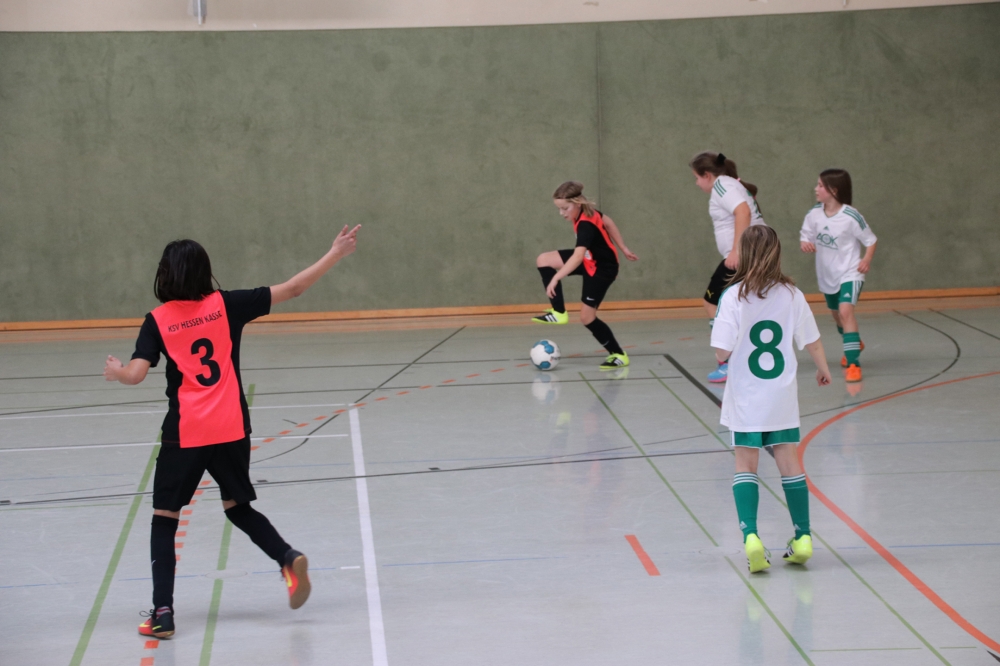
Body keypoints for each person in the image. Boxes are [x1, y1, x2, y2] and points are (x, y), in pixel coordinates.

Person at [104, 225, 360, 638]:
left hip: (187, 431)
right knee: (237, 506)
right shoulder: (226, 305)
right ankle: (286, 556)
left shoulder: (157, 320)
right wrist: (335, 253)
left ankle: (163, 613)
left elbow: (135, 374)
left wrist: (117, 371)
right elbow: (293, 288)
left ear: (165, 275)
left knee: (164, 518)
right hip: (231, 425)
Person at [710, 226, 832, 573]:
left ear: (744, 255)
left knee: (745, 464)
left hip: (746, 396)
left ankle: (751, 537)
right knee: (789, 462)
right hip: (780, 394)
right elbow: (812, 340)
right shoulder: (792, 294)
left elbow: (721, 353)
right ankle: (803, 536)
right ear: (777, 254)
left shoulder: (732, 296)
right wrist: (823, 368)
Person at [532, 181, 638, 369]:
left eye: (565, 208)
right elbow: (608, 222)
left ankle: (619, 355)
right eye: (559, 209)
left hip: (602, 269)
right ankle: (559, 312)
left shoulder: (585, 226)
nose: (562, 213)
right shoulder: (586, 212)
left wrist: (556, 277)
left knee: (587, 318)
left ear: (577, 203)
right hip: (590, 260)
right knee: (544, 260)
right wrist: (623, 248)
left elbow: (578, 256)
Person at [690, 152, 767, 383]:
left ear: (707, 175)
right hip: (754, 251)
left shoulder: (722, 185)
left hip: (746, 253)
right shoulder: (729, 184)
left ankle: (727, 362)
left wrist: (736, 250)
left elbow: (743, 211)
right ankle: (747, 358)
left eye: (697, 178)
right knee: (741, 305)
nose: (696, 183)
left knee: (712, 302)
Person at [800, 168, 877, 383]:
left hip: (851, 272)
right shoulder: (814, 214)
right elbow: (806, 235)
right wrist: (805, 243)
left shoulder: (851, 216)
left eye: (820, 186)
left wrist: (866, 259)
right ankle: (854, 341)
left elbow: (870, 240)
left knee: (845, 312)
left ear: (833, 190)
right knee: (837, 316)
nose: (816, 189)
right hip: (827, 275)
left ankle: (853, 364)